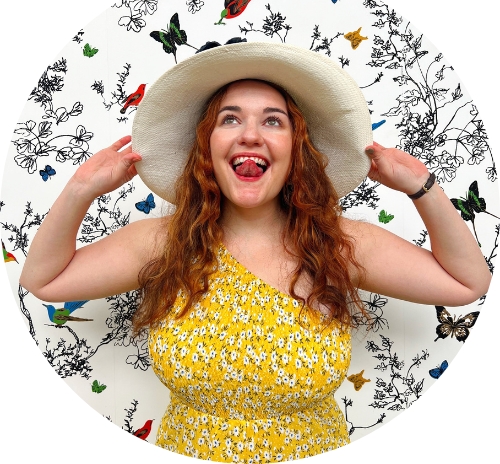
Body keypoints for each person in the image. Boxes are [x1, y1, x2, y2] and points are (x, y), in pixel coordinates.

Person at [20, 42, 490, 462]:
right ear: (207, 146)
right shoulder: (165, 242)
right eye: (230, 119)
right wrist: (80, 190)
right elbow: (43, 280)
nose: (250, 134)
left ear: (296, 149)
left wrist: (422, 187)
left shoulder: (339, 245)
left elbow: (468, 283)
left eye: (273, 121)